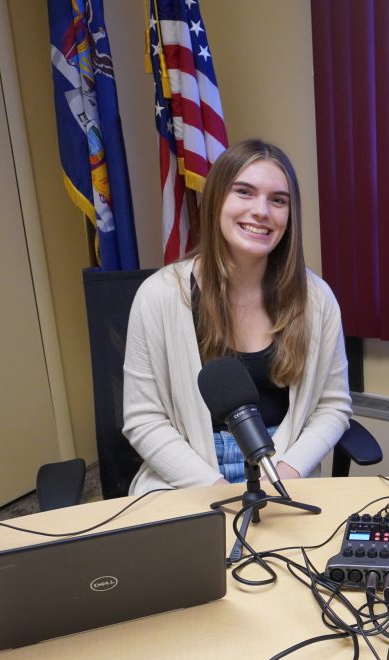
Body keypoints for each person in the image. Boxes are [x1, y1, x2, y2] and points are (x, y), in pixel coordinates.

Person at [122, 139, 352, 494]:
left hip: (282, 464)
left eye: (278, 200)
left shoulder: (317, 300)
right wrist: (213, 488)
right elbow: (143, 420)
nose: (262, 211)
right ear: (216, 201)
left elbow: (333, 406)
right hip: (185, 475)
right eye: (244, 192)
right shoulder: (159, 296)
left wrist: (287, 472)